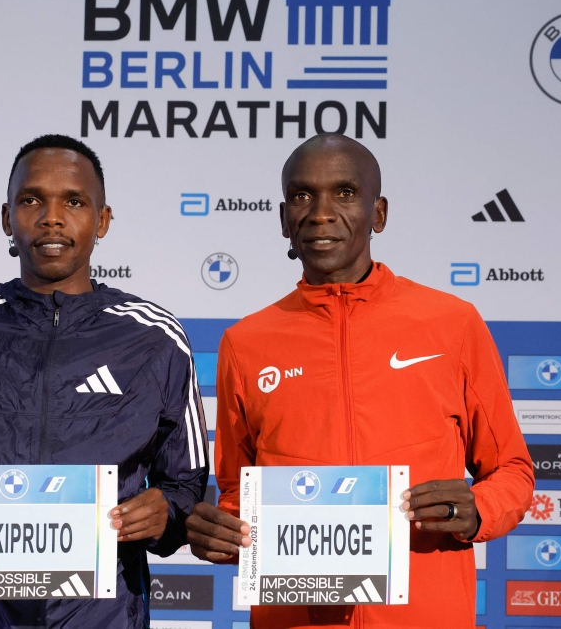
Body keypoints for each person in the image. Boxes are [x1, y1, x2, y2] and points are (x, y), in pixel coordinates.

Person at [185, 133, 534, 628]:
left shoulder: (452, 324)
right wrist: (220, 534)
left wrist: (477, 508)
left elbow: (514, 471)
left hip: (426, 615)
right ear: (285, 218)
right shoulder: (246, 342)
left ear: (379, 213)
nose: (321, 212)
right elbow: (239, 498)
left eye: (345, 193)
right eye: (302, 195)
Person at [0, 134, 209, 629]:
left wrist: (165, 514)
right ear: (7, 218)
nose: (52, 217)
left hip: (106, 616)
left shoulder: (155, 338)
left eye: (74, 201)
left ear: (102, 220)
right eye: (31, 200)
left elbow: (185, 485)